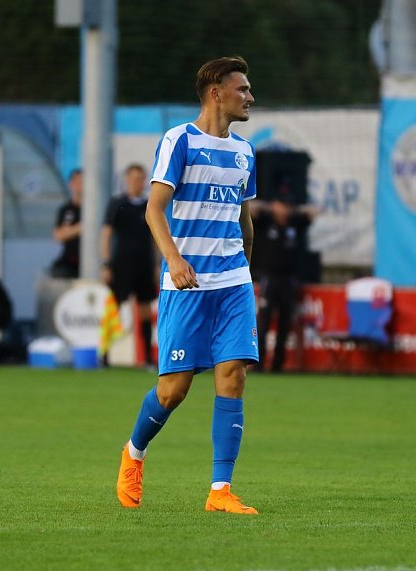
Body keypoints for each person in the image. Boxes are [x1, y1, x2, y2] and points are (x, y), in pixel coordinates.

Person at [116, 56, 259, 515]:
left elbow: (245, 219)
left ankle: (221, 490)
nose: (250, 96)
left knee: (233, 377)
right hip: (187, 283)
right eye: (242, 89)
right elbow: (153, 209)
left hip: (233, 281)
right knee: (172, 391)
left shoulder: (245, 152)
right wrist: (174, 259)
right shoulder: (179, 140)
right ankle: (134, 454)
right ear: (216, 92)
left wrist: (245, 275)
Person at [250, 195, 318, 372]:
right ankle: (259, 364)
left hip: (288, 280)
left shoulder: (295, 224)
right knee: (263, 323)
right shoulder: (265, 221)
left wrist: (293, 210)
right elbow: (250, 208)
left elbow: (315, 211)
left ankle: (277, 365)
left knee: (285, 323)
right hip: (269, 279)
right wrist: (270, 207)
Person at [100, 164, 157, 367]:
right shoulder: (117, 203)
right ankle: (104, 356)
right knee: (113, 309)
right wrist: (106, 264)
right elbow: (106, 234)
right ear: (126, 180)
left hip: (143, 264)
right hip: (121, 263)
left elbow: (155, 237)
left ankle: (149, 360)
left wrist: (156, 265)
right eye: (134, 179)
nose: (137, 183)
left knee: (144, 309)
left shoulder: (150, 205)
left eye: (141, 179)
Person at [51, 169, 83, 278]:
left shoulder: (95, 210)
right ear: (71, 185)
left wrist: (70, 231)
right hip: (70, 262)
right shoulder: (66, 210)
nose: (80, 186)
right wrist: (80, 228)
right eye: (77, 182)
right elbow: (59, 235)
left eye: (83, 182)